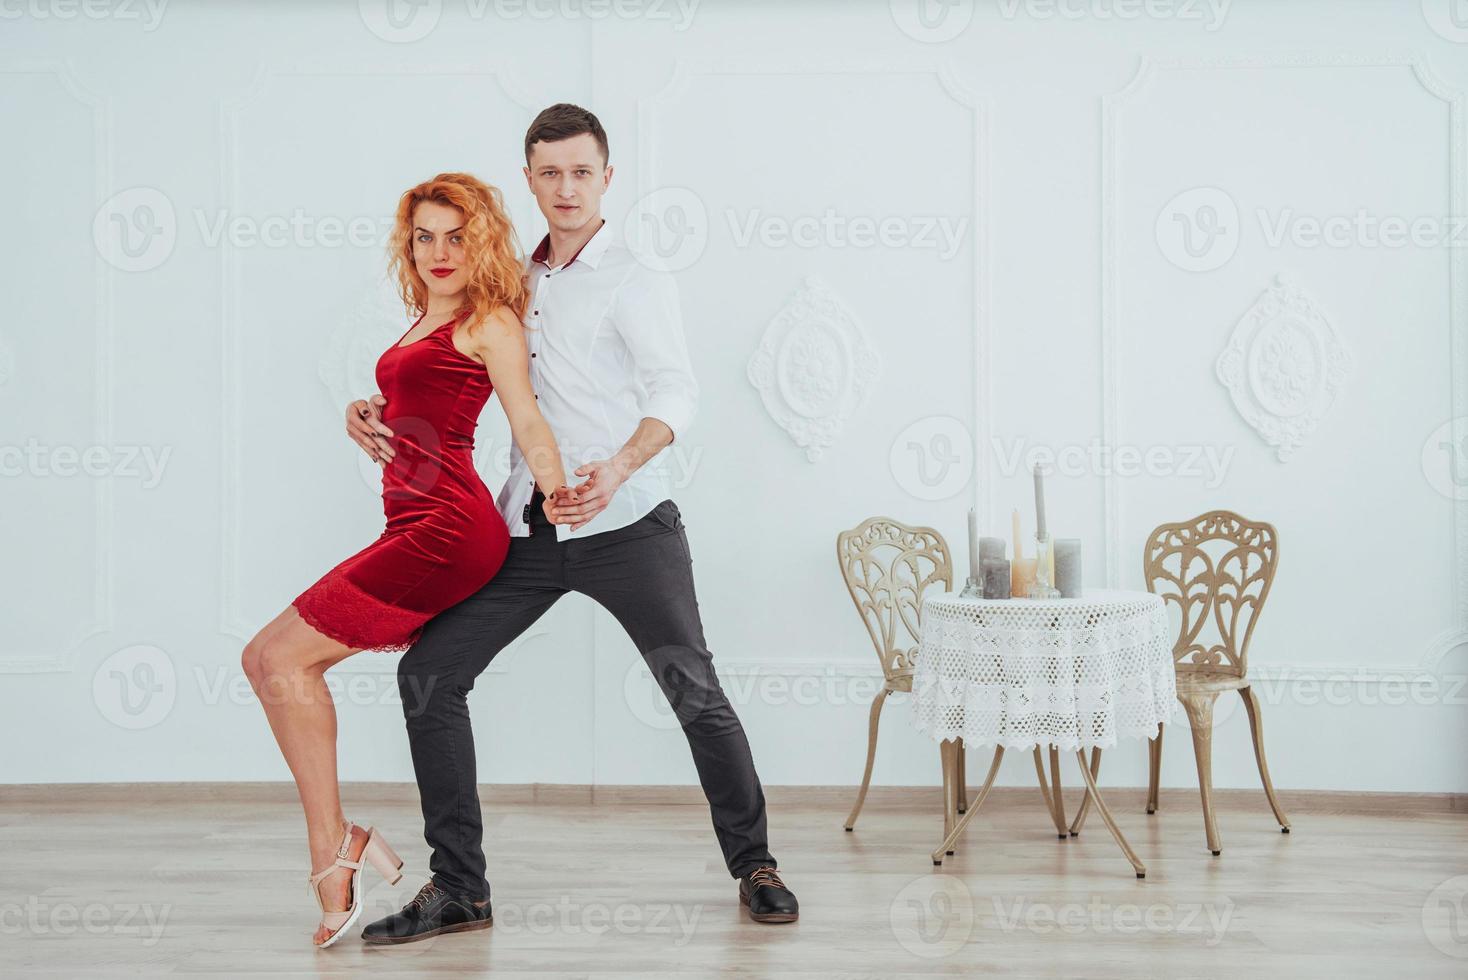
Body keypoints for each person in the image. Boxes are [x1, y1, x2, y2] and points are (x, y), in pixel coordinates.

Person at [349, 104, 798, 946]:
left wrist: (618, 468)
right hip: (527, 533)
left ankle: (756, 864)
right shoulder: (507, 283)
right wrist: (372, 407)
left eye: (581, 172)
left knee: (693, 693)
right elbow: (447, 366)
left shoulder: (636, 278)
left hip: (629, 529)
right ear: (528, 178)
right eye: (549, 173)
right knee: (430, 679)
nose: (565, 188)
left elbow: (677, 392)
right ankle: (460, 889)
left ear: (606, 178)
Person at [241, 172, 574, 948]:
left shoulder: (492, 320)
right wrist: (366, 410)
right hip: (414, 521)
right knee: (266, 660)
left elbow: (524, 416)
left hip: (448, 531)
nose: (438, 251)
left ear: (483, 238)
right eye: (424, 236)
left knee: (282, 661)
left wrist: (555, 490)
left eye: (456, 235)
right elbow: (425, 404)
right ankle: (340, 849)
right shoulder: (426, 313)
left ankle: (333, 858)